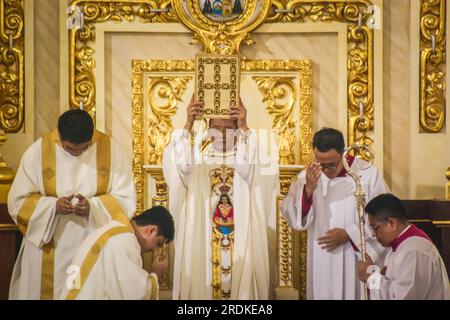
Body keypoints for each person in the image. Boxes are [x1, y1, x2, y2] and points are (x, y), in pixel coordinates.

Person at [8, 109, 136, 299]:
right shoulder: (39, 152)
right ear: (59, 135)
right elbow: (18, 201)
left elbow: (126, 199)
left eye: (83, 148)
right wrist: (53, 207)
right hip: (49, 245)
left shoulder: (110, 150)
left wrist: (92, 208)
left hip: (92, 242)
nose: (77, 154)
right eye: (70, 149)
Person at [163, 96, 278, 299]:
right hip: (202, 242)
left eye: (229, 127)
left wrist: (245, 126)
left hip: (241, 239)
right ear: (207, 129)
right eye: (216, 127)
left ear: (236, 129)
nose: (222, 134)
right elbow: (180, 169)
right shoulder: (196, 159)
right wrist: (189, 123)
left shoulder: (247, 155)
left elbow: (259, 172)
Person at [280, 127, 388, 299]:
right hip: (322, 257)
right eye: (320, 163)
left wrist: (349, 234)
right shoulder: (308, 176)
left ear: (343, 153)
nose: (325, 170)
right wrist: (308, 190)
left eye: (331, 164)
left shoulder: (368, 174)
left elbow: (385, 216)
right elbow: (291, 215)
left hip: (354, 255)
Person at [60, 206, 174, 300]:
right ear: (151, 230)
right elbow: (133, 294)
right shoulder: (125, 240)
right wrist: (155, 275)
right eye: (158, 243)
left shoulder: (111, 231)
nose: (154, 250)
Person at [357, 193, 450, 300]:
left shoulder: (413, 251)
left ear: (392, 223)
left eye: (375, 228)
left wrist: (370, 277)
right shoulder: (406, 245)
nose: (373, 234)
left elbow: (401, 297)